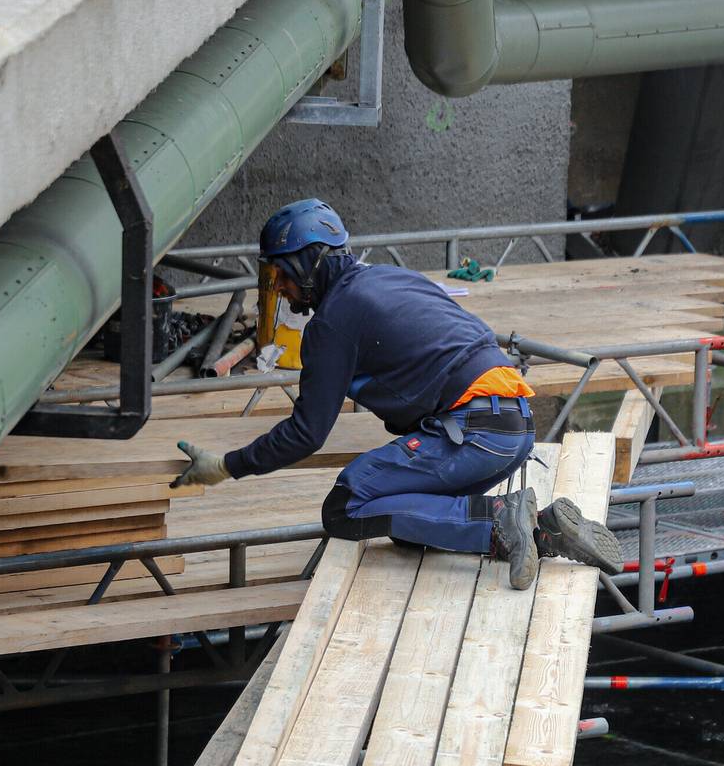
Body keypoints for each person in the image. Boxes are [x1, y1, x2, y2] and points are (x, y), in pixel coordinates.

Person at [172, 198, 622, 590]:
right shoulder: (389, 278)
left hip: (475, 432)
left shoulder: (332, 321)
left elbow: (306, 434)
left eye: (281, 274)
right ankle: (545, 531)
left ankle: (501, 518)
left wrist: (227, 466)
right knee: (408, 521)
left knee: (348, 507)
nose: (281, 289)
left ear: (308, 262)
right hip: (515, 425)